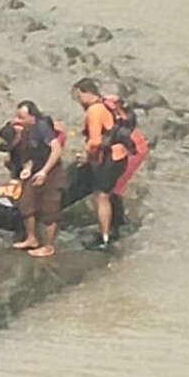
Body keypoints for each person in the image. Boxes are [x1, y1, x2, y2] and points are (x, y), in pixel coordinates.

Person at [72, 77, 128, 251]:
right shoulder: (107, 104)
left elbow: (95, 141)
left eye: (79, 97)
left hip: (108, 158)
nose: (79, 102)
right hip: (121, 155)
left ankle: (104, 238)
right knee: (109, 193)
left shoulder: (94, 111)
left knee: (101, 196)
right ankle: (115, 226)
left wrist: (87, 157)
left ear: (86, 93)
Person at [10, 100, 67, 258]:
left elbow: (56, 150)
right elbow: (31, 155)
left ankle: (48, 246)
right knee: (26, 203)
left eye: (21, 117)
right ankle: (31, 238)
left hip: (51, 172)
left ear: (32, 116)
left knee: (50, 210)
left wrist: (44, 172)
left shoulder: (42, 127)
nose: (18, 120)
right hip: (35, 170)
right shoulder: (27, 131)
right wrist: (27, 169)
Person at [107, 98, 149, 236]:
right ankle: (116, 223)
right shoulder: (125, 115)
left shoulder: (123, 120)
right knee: (115, 187)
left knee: (115, 187)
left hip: (133, 150)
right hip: (135, 146)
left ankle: (116, 225)